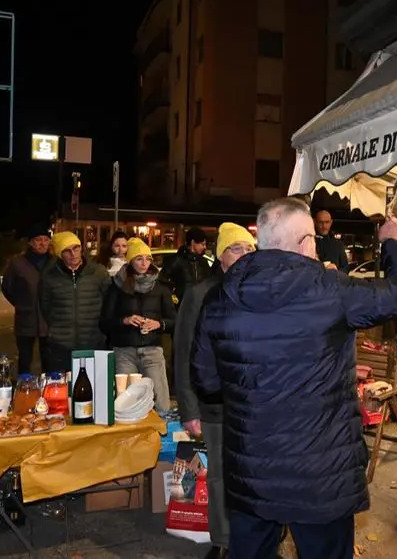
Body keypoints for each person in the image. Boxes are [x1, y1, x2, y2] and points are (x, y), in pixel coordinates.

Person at [192, 198, 397, 559]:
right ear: (304, 242)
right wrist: (393, 242)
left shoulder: (220, 297)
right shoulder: (330, 288)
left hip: (252, 472)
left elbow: (206, 382)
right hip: (320, 476)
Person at [175, 223, 256, 559]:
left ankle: (260, 539)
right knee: (220, 478)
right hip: (215, 404)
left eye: (250, 249)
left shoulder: (259, 289)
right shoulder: (200, 292)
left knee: (255, 477)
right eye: (237, 248)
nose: (245, 255)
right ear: (221, 255)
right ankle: (223, 541)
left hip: (255, 406)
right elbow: (182, 352)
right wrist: (189, 409)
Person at [100, 238, 176, 411]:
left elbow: (174, 320)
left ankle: (161, 436)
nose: (144, 263)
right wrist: (124, 321)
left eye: (148, 259)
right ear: (131, 260)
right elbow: (104, 323)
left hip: (152, 351)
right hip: (124, 351)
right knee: (127, 403)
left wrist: (159, 324)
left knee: (161, 402)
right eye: (139, 259)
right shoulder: (117, 286)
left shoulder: (161, 288)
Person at [40, 231, 110, 373]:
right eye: (67, 250)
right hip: (60, 345)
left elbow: (108, 303)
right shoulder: (49, 276)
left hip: (93, 342)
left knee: (93, 388)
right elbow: (45, 306)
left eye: (76, 248)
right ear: (60, 254)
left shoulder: (98, 272)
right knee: (63, 390)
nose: (73, 254)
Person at [2, 226, 54, 375]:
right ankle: (24, 391)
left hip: (49, 319)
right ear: (30, 243)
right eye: (38, 240)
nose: (42, 243)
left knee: (49, 360)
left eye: (45, 240)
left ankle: (49, 390)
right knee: (25, 360)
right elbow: (7, 287)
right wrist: (20, 303)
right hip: (26, 319)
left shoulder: (55, 262)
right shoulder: (17, 263)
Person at [163, 227, 212, 304]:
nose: (205, 247)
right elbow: (164, 282)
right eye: (202, 244)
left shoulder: (203, 262)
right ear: (193, 242)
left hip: (200, 307)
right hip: (180, 307)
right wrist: (173, 299)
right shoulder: (176, 261)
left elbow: (209, 283)